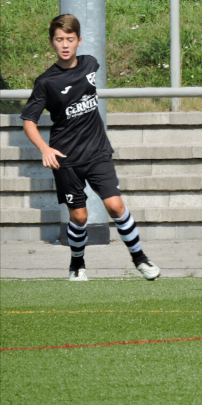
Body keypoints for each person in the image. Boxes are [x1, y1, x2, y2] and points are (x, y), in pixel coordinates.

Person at [21, 14, 160, 281]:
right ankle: (77, 263)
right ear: (51, 42)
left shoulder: (90, 64)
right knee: (80, 217)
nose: (65, 44)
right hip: (66, 159)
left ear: (79, 40)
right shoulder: (46, 82)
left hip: (97, 152)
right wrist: (44, 149)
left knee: (116, 206)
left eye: (70, 39)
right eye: (59, 39)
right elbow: (29, 121)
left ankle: (140, 259)